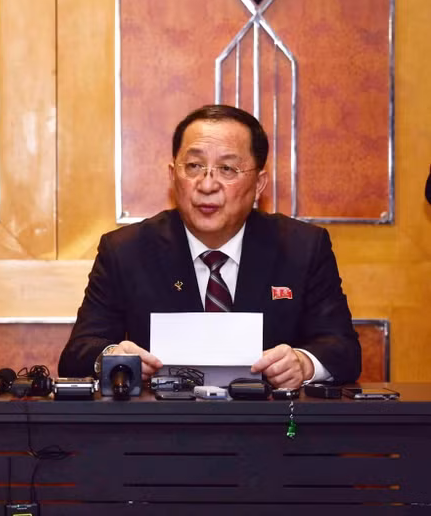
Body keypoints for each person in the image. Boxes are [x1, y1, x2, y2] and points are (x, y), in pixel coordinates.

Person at [58, 104, 361, 388]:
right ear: (173, 176)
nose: (207, 185)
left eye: (227, 169)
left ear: (259, 184)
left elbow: (343, 350)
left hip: (269, 423)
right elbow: (78, 354)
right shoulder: (126, 250)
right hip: (162, 423)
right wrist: (112, 356)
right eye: (193, 166)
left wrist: (304, 364)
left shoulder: (302, 248)